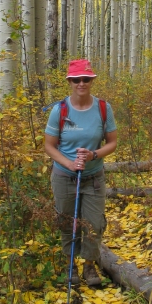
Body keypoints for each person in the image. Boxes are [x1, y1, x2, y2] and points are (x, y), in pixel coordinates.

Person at [44, 59, 117, 287]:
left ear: (92, 80)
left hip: (93, 177)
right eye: (76, 79)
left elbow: (112, 143)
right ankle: (70, 264)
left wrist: (93, 155)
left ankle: (89, 265)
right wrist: (69, 163)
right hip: (65, 177)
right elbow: (49, 146)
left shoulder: (104, 108)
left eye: (86, 79)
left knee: (94, 224)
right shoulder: (60, 110)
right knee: (67, 221)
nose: (81, 83)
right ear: (70, 81)